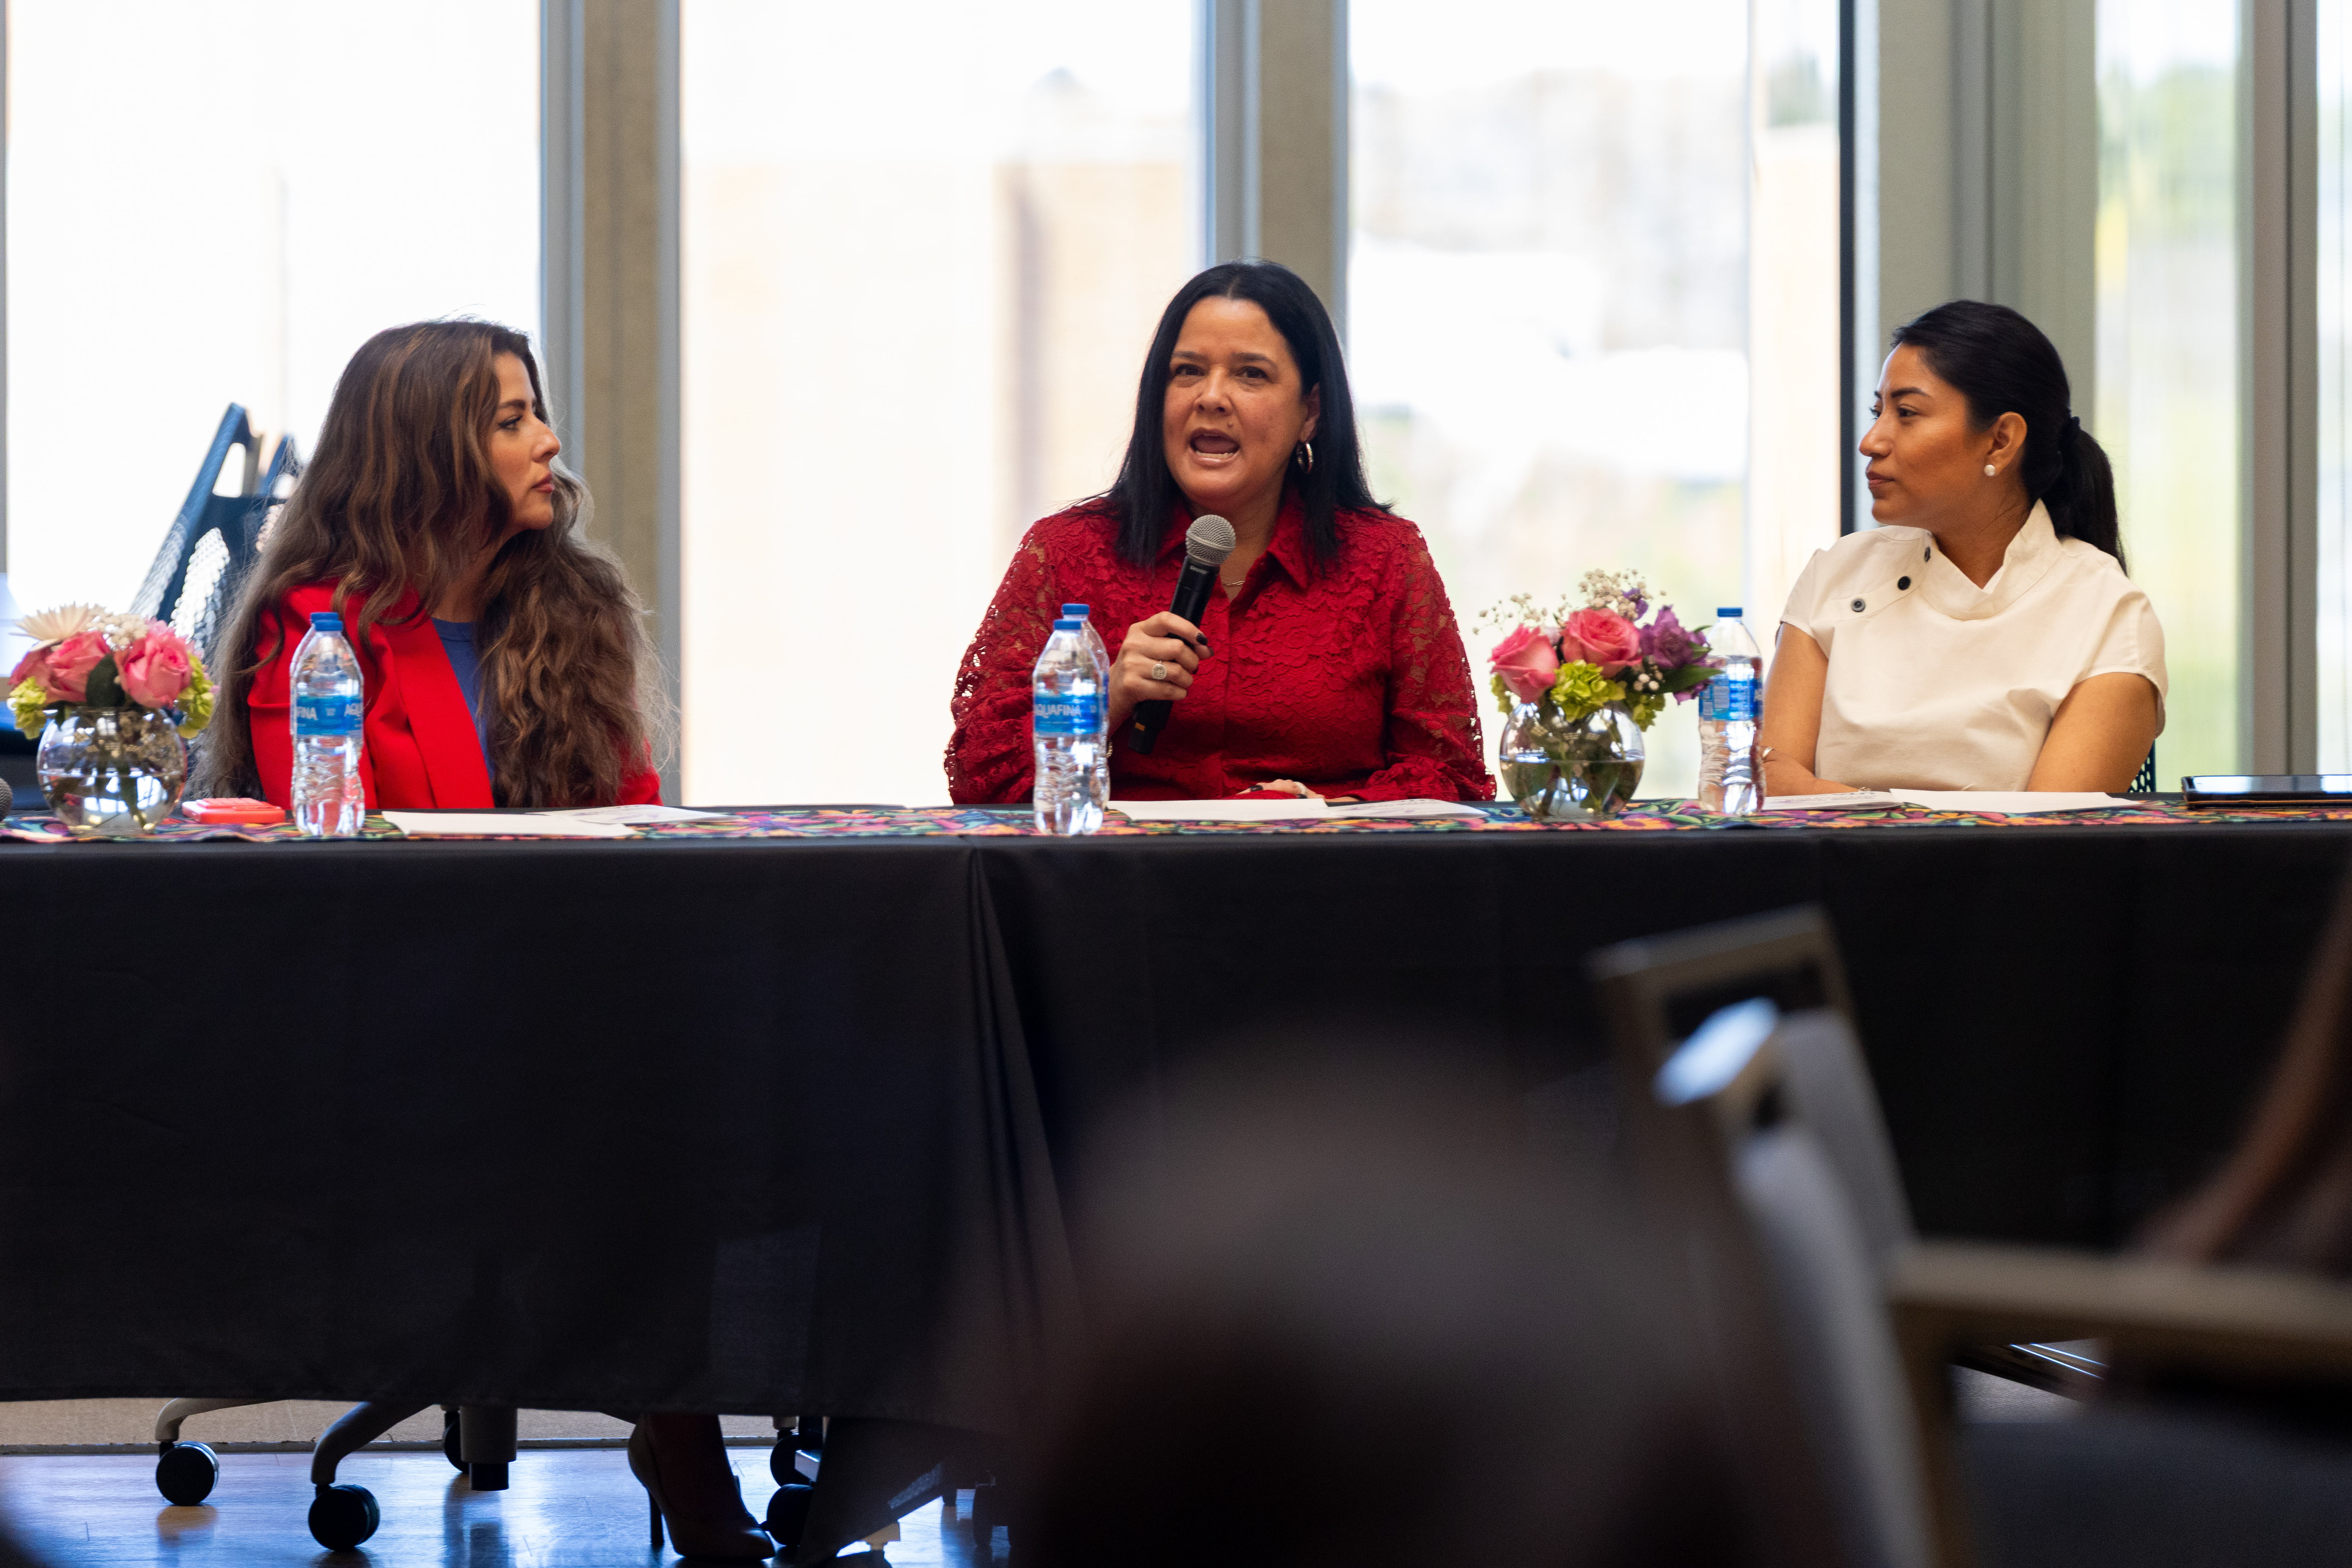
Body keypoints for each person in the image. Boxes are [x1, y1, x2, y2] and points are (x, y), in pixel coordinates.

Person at [944, 260, 1491, 804]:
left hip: (1323, 879)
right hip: (1124, 881)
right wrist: (1104, 701)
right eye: (1187, 372)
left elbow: (1452, 779)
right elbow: (979, 780)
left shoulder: (1385, 559)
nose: (1210, 397)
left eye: (1250, 373)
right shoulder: (1064, 553)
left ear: (1311, 412)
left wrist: (1321, 811)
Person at [198, 319, 663, 811]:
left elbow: (634, 820)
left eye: (537, 414)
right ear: (429, 456)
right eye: (512, 422)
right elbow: (332, 850)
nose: (550, 441)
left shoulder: (577, 607)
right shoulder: (317, 621)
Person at [1760, 301, 2166, 796]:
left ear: (1999, 441)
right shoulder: (1836, 574)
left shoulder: (2108, 613)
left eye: (1906, 413)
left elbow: (2051, 841)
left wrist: (1856, 810)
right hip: (1824, 873)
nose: (1871, 441)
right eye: (1878, 411)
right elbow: (1770, 781)